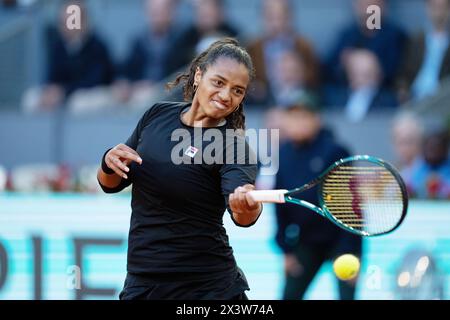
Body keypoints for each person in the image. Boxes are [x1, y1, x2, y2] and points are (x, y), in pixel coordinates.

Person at [97, 38, 262, 300]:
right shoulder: (156, 114)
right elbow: (110, 183)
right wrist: (108, 161)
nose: (225, 96)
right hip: (142, 282)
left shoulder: (234, 147)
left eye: (237, 90)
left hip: (207, 289)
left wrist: (249, 207)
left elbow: (242, 214)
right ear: (198, 75)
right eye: (218, 82)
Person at [274, 93, 362, 300]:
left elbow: (352, 205)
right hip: (306, 241)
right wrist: (285, 250)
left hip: (341, 241)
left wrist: (352, 251)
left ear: (317, 119)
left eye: (303, 116)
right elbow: (281, 204)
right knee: (289, 296)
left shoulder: (335, 150)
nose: (297, 122)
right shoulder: (283, 153)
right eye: (292, 116)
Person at [246, 0, 319, 105]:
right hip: (263, 103)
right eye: (270, 17)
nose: (276, 23)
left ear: (290, 17)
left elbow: (314, 77)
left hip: (298, 101)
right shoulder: (252, 47)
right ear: (262, 18)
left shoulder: (305, 46)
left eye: (281, 17)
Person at [396, 0, 450, 103]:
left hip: (441, 100)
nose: (439, 12)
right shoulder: (415, 40)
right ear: (427, 8)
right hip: (414, 98)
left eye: (443, 7)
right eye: (434, 7)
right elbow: (403, 73)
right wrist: (402, 90)